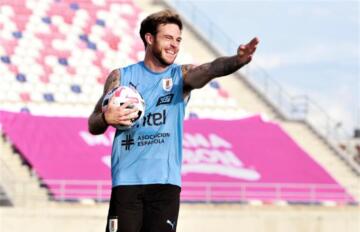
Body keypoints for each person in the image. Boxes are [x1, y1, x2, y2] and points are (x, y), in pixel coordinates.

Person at [88, 9, 259, 232]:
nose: (174, 45)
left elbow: (210, 69)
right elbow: (93, 124)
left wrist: (238, 60)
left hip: (164, 186)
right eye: (168, 38)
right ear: (149, 39)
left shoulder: (181, 76)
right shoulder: (121, 78)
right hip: (126, 183)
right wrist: (106, 117)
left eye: (178, 40)